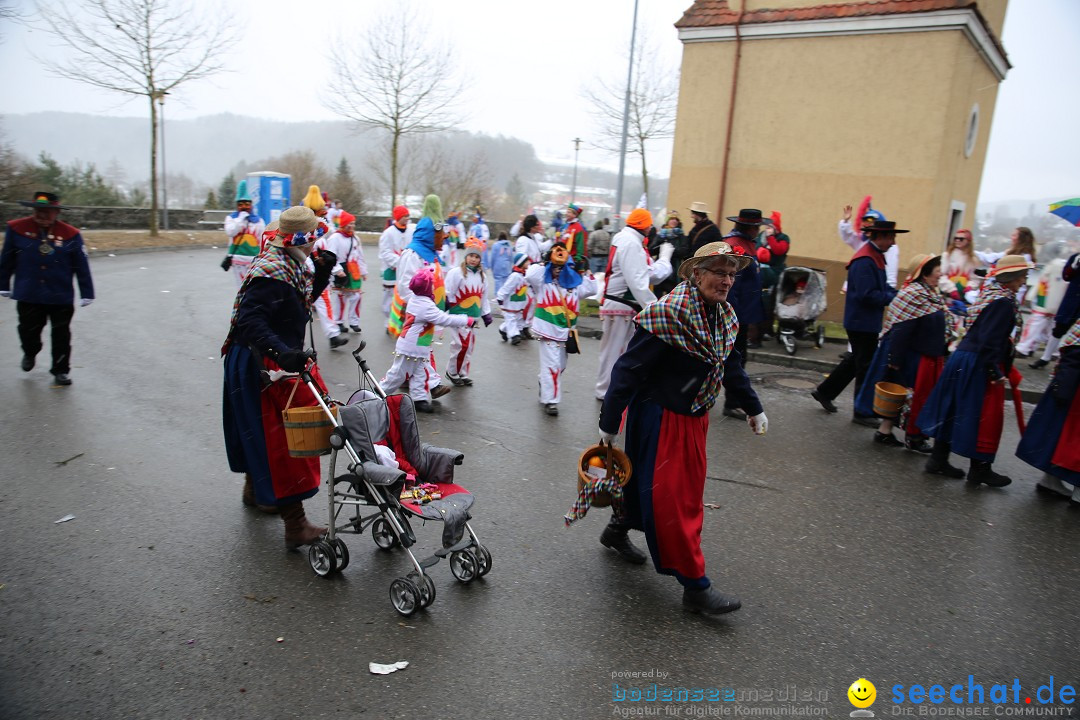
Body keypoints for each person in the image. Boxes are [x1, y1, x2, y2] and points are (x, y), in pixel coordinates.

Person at [599, 241, 767, 614]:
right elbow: (628, 370)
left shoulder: (723, 315)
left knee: (649, 485)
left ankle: (616, 530)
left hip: (694, 416)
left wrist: (753, 407)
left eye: (730, 274)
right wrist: (609, 424)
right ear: (696, 273)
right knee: (676, 501)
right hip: (660, 417)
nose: (725, 281)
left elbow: (730, 364)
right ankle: (695, 586)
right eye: (718, 272)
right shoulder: (668, 314)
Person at [221, 205, 337, 545]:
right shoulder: (271, 272)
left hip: (270, 356)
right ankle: (294, 525)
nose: (316, 247)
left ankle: (255, 492)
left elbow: (295, 308)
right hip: (260, 359)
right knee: (282, 441)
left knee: (256, 433)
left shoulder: (290, 263)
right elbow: (250, 321)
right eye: (313, 241)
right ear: (302, 241)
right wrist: (281, 352)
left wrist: (322, 275)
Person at [917, 255, 1035, 486]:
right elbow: (990, 339)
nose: (1024, 280)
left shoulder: (991, 295)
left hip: (966, 356)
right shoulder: (1002, 302)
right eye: (1022, 276)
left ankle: (938, 460)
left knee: (952, 408)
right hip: (979, 361)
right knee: (984, 416)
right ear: (1011, 278)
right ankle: (980, 468)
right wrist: (994, 370)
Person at [853, 254, 947, 452]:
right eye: (937, 269)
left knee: (906, 396)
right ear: (925, 272)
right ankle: (914, 438)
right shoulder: (913, 295)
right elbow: (901, 330)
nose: (941, 273)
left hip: (919, 355)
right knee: (913, 397)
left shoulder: (929, 294)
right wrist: (894, 361)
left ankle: (884, 432)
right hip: (910, 357)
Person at [811, 220, 902, 425]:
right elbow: (867, 295)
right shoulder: (865, 259)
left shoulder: (873, 255)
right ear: (879, 237)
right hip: (862, 322)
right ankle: (861, 412)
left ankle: (824, 392)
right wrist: (893, 297)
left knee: (856, 361)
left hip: (864, 321)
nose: (893, 241)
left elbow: (879, 289)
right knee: (865, 366)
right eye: (890, 237)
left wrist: (895, 294)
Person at [1, 191, 94, 386]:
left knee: (61, 333)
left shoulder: (71, 234)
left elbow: (81, 265)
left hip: (59, 294)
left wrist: (87, 292)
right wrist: (3, 284)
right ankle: (30, 351)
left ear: (56, 212)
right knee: (28, 330)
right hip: (29, 293)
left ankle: (61, 370)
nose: (42, 215)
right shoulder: (16, 229)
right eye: (38, 211)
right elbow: (6, 260)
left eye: (47, 212)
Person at [593, 208, 673, 400]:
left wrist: (664, 260)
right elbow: (638, 280)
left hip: (621, 304)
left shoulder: (628, 240)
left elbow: (648, 273)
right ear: (644, 226)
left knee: (617, 350)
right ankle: (608, 390)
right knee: (616, 351)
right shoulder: (631, 243)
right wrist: (654, 308)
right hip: (621, 305)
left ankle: (609, 389)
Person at [381, 267, 474, 413]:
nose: (433, 287)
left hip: (419, 346)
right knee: (398, 374)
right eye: (431, 284)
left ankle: (420, 400)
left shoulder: (417, 299)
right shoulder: (424, 304)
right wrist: (465, 320)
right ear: (426, 287)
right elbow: (443, 319)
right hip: (411, 347)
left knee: (420, 375)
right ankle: (379, 392)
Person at [524, 245, 597, 416]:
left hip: (566, 333)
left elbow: (593, 289)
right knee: (553, 366)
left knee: (560, 366)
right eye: (555, 267)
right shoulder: (543, 282)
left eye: (561, 267)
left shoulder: (574, 284)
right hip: (547, 331)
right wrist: (544, 261)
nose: (557, 270)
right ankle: (551, 401)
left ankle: (545, 381)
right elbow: (530, 274)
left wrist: (585, 270)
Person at [1016, 318, 1080, 504]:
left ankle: (1051, 479)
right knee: (1069, 438)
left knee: (1057, 434)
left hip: (1069, 386)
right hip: (1073, 390)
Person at [720, 209, 769, 419]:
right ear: (748, 227)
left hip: (742, 311)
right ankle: (732, 403)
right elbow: (732, 282)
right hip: (735, 311)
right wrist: (733, 313)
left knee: (737, 358)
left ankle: (733, 400)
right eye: (756, 226)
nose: (758, 230)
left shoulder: (744, 243)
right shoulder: (735, 246)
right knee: (735, 359)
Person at [444, 238, 493, 386]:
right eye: (471, 255)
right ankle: (452, 372)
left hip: (473, 317)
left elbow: (483, 297)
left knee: (469, 346)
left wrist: (486, 313)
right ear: (466, 256)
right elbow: (448, 292)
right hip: (458, 316)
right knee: (460, 345)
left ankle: (462, 372)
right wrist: (444, 306)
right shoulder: (456, 273)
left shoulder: (482, 277)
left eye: (477, 257)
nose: (473, 259)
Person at [1032, 252, 1080, 369]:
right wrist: (1074, 266)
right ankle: (1046, 357)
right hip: (1073, 298)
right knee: (1059, 328)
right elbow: (1066, 276)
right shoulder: (1076, 257)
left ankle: (1069, 359)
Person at [324, 211, 368, 335]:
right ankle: (338, 322)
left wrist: (363, 271)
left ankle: (354, 322)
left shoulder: (355, 238)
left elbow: (360, 256)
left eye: (353, 223)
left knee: (356, 296)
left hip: (353, 271)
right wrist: (337, 270)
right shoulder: (335, 238)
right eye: (350, 223)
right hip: (341, 271)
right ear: (344, 224)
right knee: (340, 297)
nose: (352, 226)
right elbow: (330, 256)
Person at [839, 203, 900, 289]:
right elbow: (848, 236)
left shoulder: (891, 248)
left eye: (871, 229)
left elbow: (891, 277)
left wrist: (888, 295)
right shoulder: (862, 242)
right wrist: (845, 222)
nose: (868, 231)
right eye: (866, 228)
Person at [220, 180, 266, 288]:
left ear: (251, 204)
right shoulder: (231, 218)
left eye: (247, 204)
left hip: (253, 259)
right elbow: (230, 232)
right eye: (240, 204)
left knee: (253, 287)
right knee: (242, 288)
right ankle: (241, 304)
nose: (244, 207)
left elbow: (262, 239)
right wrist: (240, 219)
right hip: (238, 260)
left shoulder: (258, 221)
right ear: (237, 205)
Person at [754, 212, 790, 340]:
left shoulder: (783, 238)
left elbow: (779, 250)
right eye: (767, 227)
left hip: (775, 273)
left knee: (770, 303)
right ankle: (759, 330)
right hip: (760, 271)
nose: (767, 229)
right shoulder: (761, 237)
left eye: (770, 227)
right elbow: (755, 247)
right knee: (760, 302)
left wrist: (770, 238)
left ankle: (767, 329)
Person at [378, 205, 412, 321]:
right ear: (398, 217)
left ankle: (401, 321)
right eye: (405, 216)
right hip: (392, 270)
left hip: (406, 270)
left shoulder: (411, 231)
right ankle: (389, 322)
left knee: (404, 296)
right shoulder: (388, 233)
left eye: (408, 216)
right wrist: (400, 262)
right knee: (389, 298)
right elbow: (385, 252)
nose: (407, 218)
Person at [496, 253, 531, 345]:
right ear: (521, 263)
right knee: (511, 319)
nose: (529, 262)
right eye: (527, 261)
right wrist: (500, 297)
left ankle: (503, 329)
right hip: (510, 303)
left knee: (517, 318)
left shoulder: (525, 275)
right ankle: (514, 336)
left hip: (519, 303)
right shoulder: (515, 276)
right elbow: (506, 287)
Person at [654, 211, 690, 296]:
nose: (674, 221)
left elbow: (684, 251)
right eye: (671, 219)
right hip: (660, 270)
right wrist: (660, 245)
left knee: (672, 296)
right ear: (667, 221)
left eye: (676, 219)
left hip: (674, 272)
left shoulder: (681, 236)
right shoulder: (660, 235)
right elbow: (652, 250)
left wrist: (670, 250)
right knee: (657, 295)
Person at [560, 203, 588, 272]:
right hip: (562, 258)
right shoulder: (565, 226)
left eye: (569, 212)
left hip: (572, 260)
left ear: (575, 215)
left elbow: (580, 245)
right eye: (567, 212)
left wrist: (577, 259)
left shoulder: (578, 228)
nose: (566, 214)